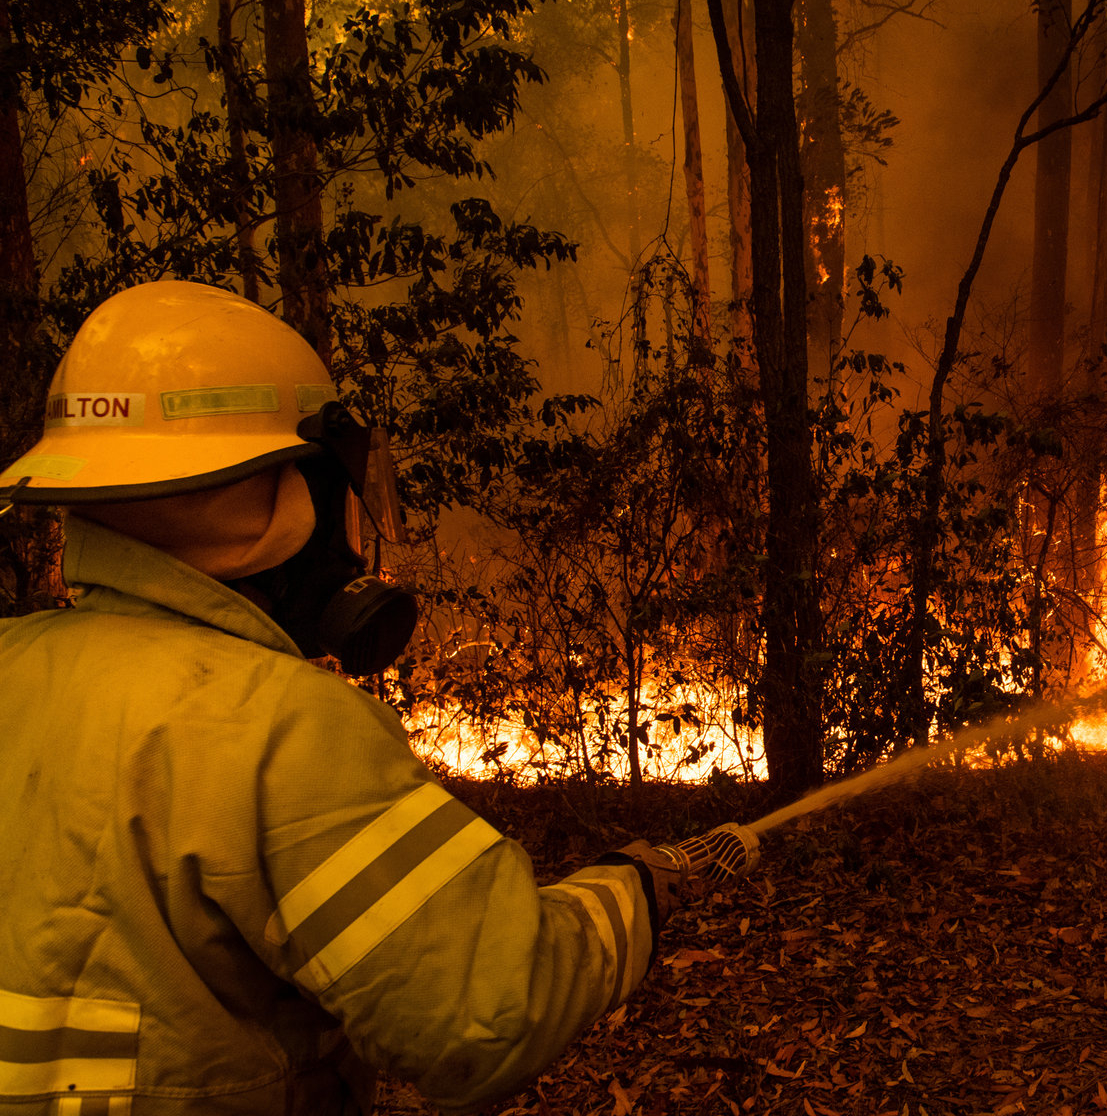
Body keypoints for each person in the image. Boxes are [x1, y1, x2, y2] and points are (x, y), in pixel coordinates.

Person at [0, 281, 691, 1114]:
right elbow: (486, 1014)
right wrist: (628, 897)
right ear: (279, 501)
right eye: (333, 489)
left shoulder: (12, 664)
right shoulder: (277, 726)